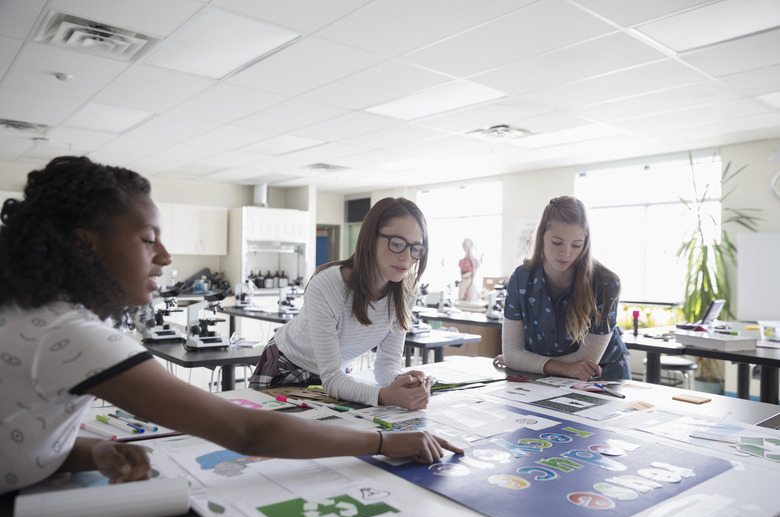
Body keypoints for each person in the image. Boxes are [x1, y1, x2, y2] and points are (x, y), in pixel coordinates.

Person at [0, 157, 461, 496]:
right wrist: (383, 440)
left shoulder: (42, 316)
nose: (165, 258)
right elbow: (245, 431)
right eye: (148, 241)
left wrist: (89, 451)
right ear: (85, 245)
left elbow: (32, 426)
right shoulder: (70, 334)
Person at [250, 197, 432, 410]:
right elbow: (332, 378)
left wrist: (401, 383)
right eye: (397, 244)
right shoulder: (327, 284)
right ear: (369, 239)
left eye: (416, 248)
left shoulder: (406, 291)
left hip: (335, 376)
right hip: (287, 367)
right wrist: (385, 396)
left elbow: (386, 365)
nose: (406, 257)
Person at [495, 196, 631, 381]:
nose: (566, 253)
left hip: (603, 377)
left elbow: (587, 360)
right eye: (557, 242)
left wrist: (525, 361)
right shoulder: (521, 278)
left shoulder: (605, 283)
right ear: (541, 237)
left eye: (576, 245)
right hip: (544, 377)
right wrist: (519, 360)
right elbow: (512, 354)